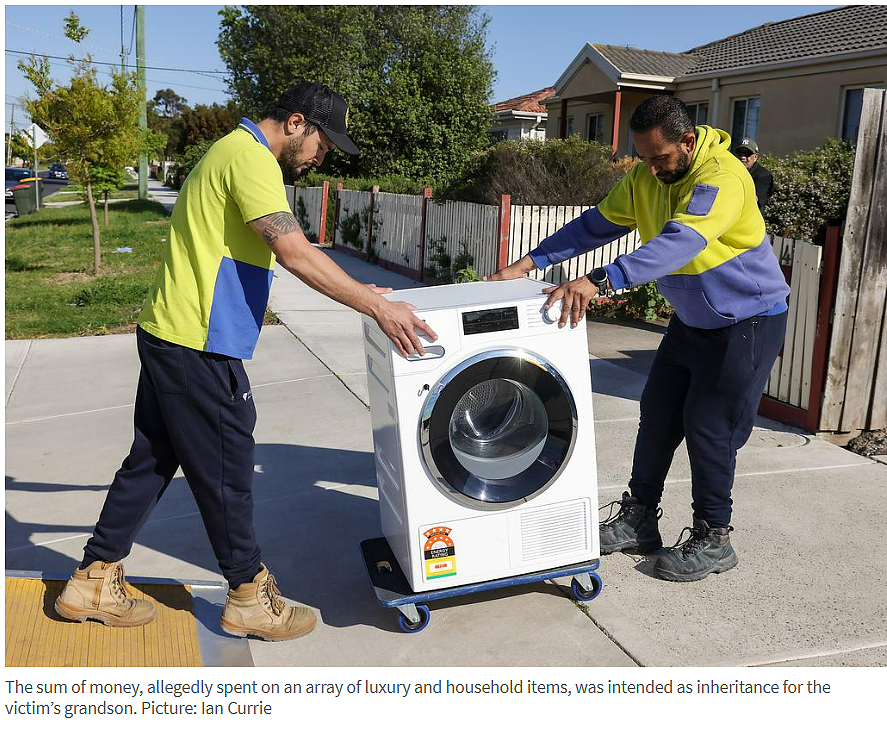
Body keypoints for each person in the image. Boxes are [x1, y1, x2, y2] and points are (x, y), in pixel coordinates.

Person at [54, 82, 437, 640]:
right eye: (324, 143)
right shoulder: (253, 159)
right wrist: (378, 305)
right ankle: (248, 596)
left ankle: (93, 578)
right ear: (298, 122)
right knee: (228, 469)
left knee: (154, 460)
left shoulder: (230, 149)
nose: (323, 155)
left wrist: (365, 292)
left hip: (172, 333)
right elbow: (295, 251)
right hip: (200, 343)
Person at [488, 95, 789, 582]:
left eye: (660, 158)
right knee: (657, 416)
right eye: (643, 158)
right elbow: (595, 225)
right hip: (693, 320)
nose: (650, 170)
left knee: (709, 427)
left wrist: (599, 280)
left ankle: (715, 538)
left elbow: (682, 242)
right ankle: (640, 518)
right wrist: (528, 263)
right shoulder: (647, 176)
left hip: (746, 321)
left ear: (688, 142)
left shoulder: (722, 178)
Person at [734, 138, 774, 209]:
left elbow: (757, 201)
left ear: (755, 157)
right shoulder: (733, 172)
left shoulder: (763, 176)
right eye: (740, 153)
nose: (742, 157)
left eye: (747, 154)